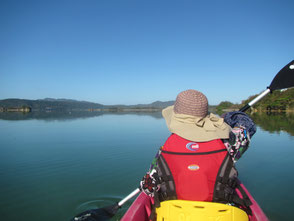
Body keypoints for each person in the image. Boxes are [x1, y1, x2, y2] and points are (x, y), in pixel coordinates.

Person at [140, 89, 256, 218]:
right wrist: (230, 117)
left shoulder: (164, 150)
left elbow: (148, 189)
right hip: (221, 216)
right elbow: (248, 127)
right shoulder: (230, 143)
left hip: (175, 216)